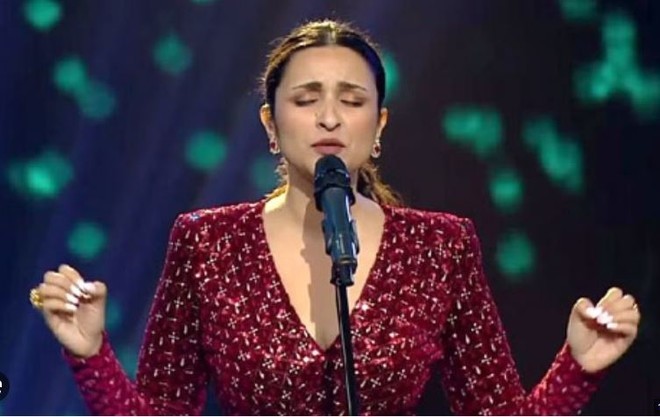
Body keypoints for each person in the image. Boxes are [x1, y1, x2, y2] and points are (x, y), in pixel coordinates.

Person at [29, 19, 641, 415]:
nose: (329, 118)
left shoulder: (441, 247)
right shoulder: (206, 242)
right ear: (270, 123)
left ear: (379, 125)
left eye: (352, 101)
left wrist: (577, 368)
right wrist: (91, 355)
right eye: (305, 100)